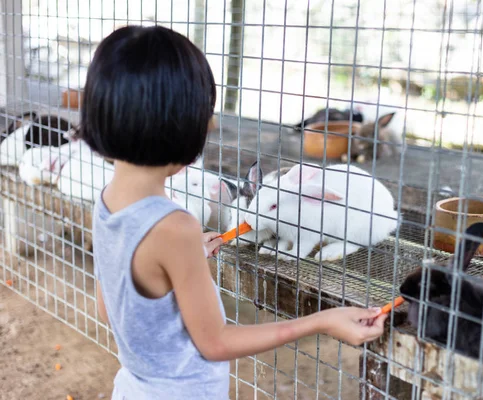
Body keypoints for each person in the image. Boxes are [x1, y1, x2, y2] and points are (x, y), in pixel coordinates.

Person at [75, 25, 388, 400]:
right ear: (181, 128)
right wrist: (322, 321)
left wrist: (180, 260)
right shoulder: (174, 229)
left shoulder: (108, 201)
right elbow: (216, 342)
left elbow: (110, 308)